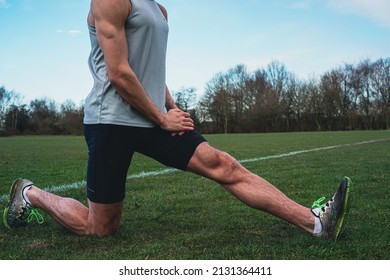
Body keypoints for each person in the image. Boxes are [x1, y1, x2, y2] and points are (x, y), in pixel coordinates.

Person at [3, 0, 351, 239]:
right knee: (100, 228)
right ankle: (30, 192)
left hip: (153, 117)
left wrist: (170, 105)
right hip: (111, 121)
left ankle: (317, 223)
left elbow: (149, 68)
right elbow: (120, 72)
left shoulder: (159, 9)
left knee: (222, 164)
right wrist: (162, 116)